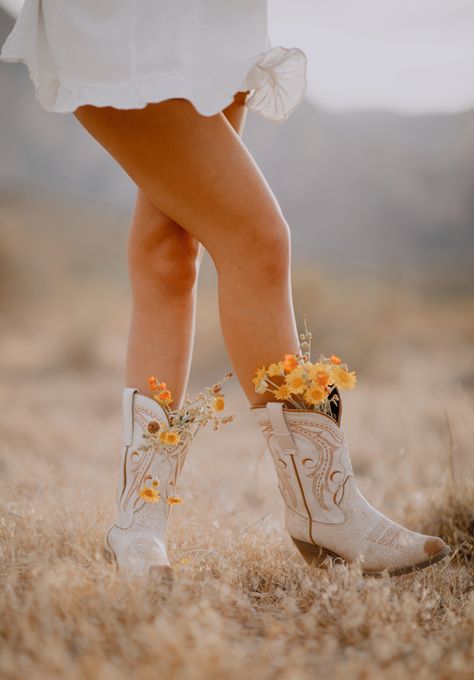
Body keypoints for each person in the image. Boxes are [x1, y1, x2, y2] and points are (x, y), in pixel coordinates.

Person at [1, 0, 450, 583]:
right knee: (257, 238)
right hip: (121, 17)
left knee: (169, 251)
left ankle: (137, 524)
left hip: (205, 19)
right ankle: (324, 509)